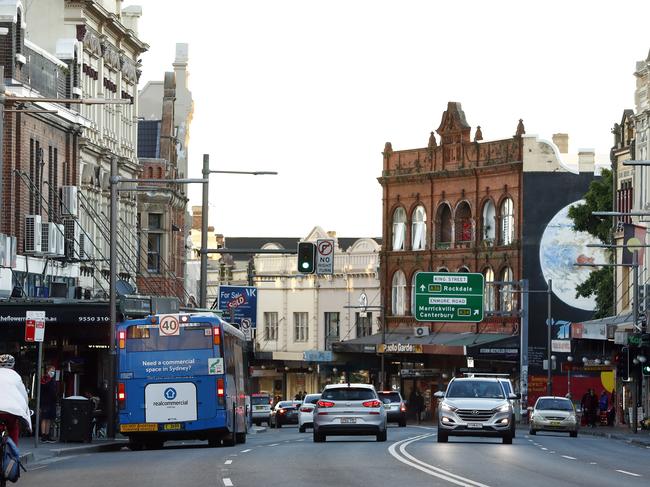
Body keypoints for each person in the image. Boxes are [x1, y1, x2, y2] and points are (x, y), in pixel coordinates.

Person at [0, 354, 32, 446]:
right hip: (11, 411)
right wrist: (26, 411)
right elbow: (24, 396)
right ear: (13, 366)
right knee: (13, 428)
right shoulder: (16, 376)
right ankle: (14, 455)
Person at [39, 365, 58, 443]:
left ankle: (47, 434)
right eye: (51, 370)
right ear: (48, 371)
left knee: (49, 418)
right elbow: (43, 389)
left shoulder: (53, 380)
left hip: (52, 401)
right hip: (45, 401)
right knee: (44, 418)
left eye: (54, 370)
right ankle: (43, 435)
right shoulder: (44, 379)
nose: (52, 372)